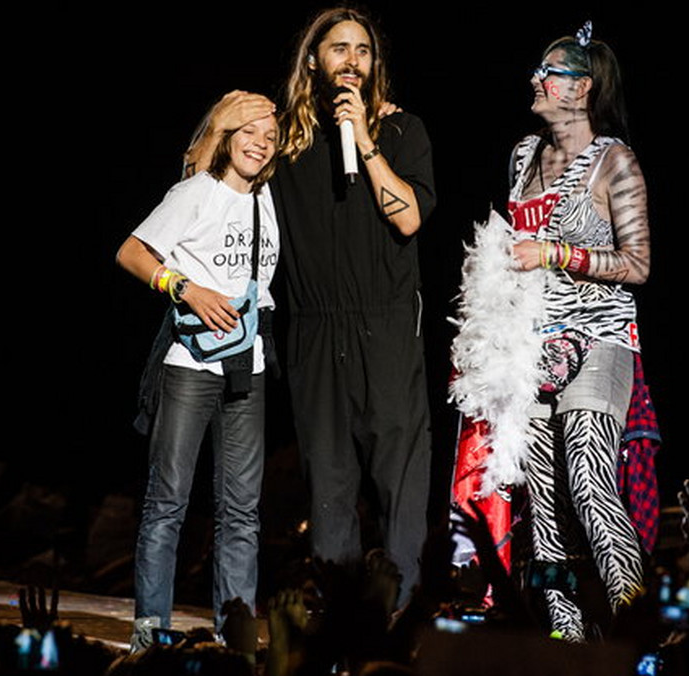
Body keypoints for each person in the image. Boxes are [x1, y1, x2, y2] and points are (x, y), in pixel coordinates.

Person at [189, 7, 436, 605]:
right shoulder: (287, 142)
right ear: (313, 60)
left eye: (364, 50)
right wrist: (224, 122)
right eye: (338, 48)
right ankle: (340, 629)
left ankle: (402, 627)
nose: (352, 60)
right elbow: (203, 181)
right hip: (314, 330)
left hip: (387, 326)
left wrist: (369, 145)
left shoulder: (402, 132)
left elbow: (408, 216)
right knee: (328, 484)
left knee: (401, 483)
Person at [507, 23, 650, 640]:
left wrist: (556, 254)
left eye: (551, 72)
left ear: (582, 88)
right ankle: (567, 636)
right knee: (540, 498)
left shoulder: (615, 159)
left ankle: (632, 627)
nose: (536, 81)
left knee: (589, 480)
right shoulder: (521, 156)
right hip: (533, 344)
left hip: (599, 338)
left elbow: (638, 264)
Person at [117, 109, 280, 649]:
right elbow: (131, 252)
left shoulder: (267, 197)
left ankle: (233, 634)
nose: (259, 143)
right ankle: (149, 634)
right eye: (248, 132)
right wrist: (182, 287)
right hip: (190, 365)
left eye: (270, 136)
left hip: (247, 366)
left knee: (242, 511)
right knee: (168, 501)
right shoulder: (194, 192)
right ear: (227, 135)